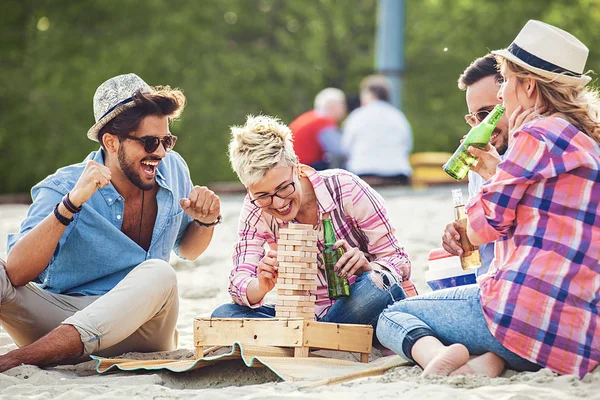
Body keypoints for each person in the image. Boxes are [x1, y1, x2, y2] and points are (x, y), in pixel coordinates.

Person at [377, 20, 600, 379]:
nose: (502, 96)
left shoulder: (535, 133)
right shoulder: (586, 143)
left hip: (523, 314)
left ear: (527, 84)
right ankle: (483, 364)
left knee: (392, 314)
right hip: (575, 337)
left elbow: (483, 227)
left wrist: (493, 174)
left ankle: (437, 359)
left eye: (507, 81)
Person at [0, 73, 221, 372]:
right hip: (60, 322)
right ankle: (49, 351)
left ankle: (15, 359)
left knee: (159, 272)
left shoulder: (175, 168)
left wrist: (205, 222)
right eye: (149, 142)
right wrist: (71, 203)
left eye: (166, 140)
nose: (160, 152)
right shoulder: (64, 186)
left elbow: (189, 251)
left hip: (144, 329)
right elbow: (15, 273)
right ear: (111, 142)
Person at [211, 115, 418, 328]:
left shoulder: (345, 187)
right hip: (308, 317)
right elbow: (239, 280)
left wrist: (367, 268)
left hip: (365, 306)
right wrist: (261, 285)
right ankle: (322, 334)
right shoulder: (255, 208)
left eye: (284, 187)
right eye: (264, 195)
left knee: (376, 285)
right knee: (223, 315)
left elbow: (399, 261)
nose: (279, 203)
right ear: (249, 189)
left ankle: (317, 336)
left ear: (297, 167)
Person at [441, 55, 510, 276]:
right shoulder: (483, 159)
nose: (481, 127)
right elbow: (479, 229)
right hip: (486, 279)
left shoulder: (535, 152)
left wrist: (496, 176)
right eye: (474, 118)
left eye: (486, 114)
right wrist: (457, 232)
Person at [342, 74, 412, 185]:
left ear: (370, 94)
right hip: (397, 175)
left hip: (363, 174)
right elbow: (407, 145)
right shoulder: (398, 116)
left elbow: (345, 147)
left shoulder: (357, 116)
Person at [289, 88, 347, 170]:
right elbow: (339, 151)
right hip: (304, 167)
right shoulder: (323, 122)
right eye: (342, 104)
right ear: (331, 106)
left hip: (292, 166)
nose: (344, 109)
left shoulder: (309, 117)